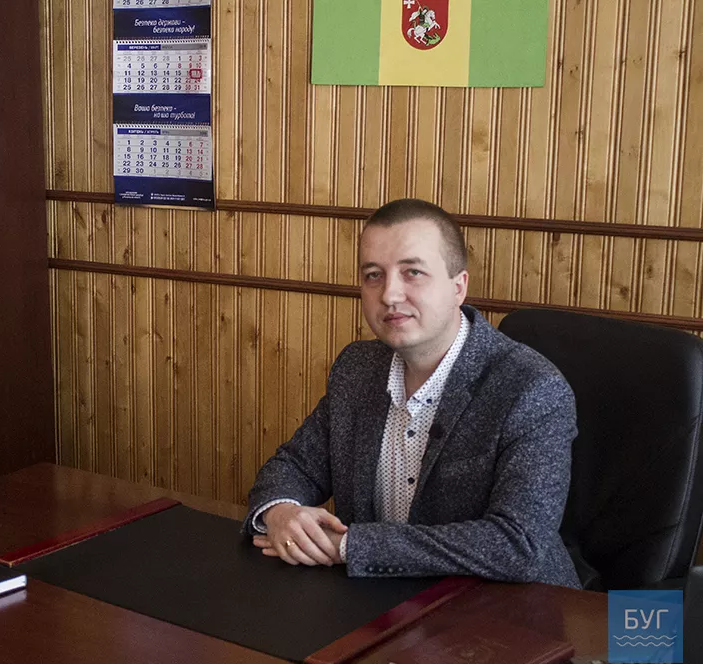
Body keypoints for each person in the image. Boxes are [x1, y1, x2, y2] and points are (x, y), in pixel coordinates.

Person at [244, 198, 580, 588]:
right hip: (382, 600)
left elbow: (517, 544)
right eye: (373, 275)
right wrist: (281, 512)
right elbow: (295, 466)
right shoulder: (357, 368)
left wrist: (351, 547)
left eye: (413, 272)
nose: (389, 294)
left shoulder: (531, 388)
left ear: (458, 287)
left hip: (512, 606)